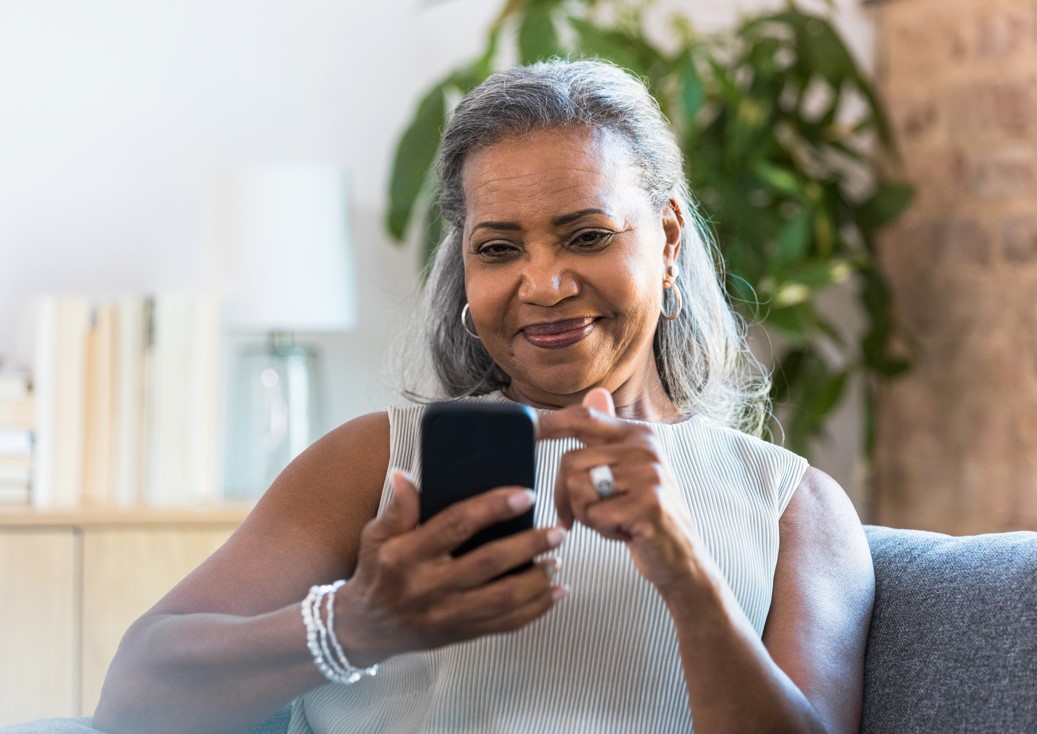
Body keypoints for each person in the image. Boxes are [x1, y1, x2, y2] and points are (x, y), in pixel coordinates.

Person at [93, 59, 874, 734]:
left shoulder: (793, 506)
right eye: (499, 249)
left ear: (667, 239)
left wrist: (684, 572)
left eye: (588, 235)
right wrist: (357, 625)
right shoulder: (379, 461)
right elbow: (134, 698)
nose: (543, 285)